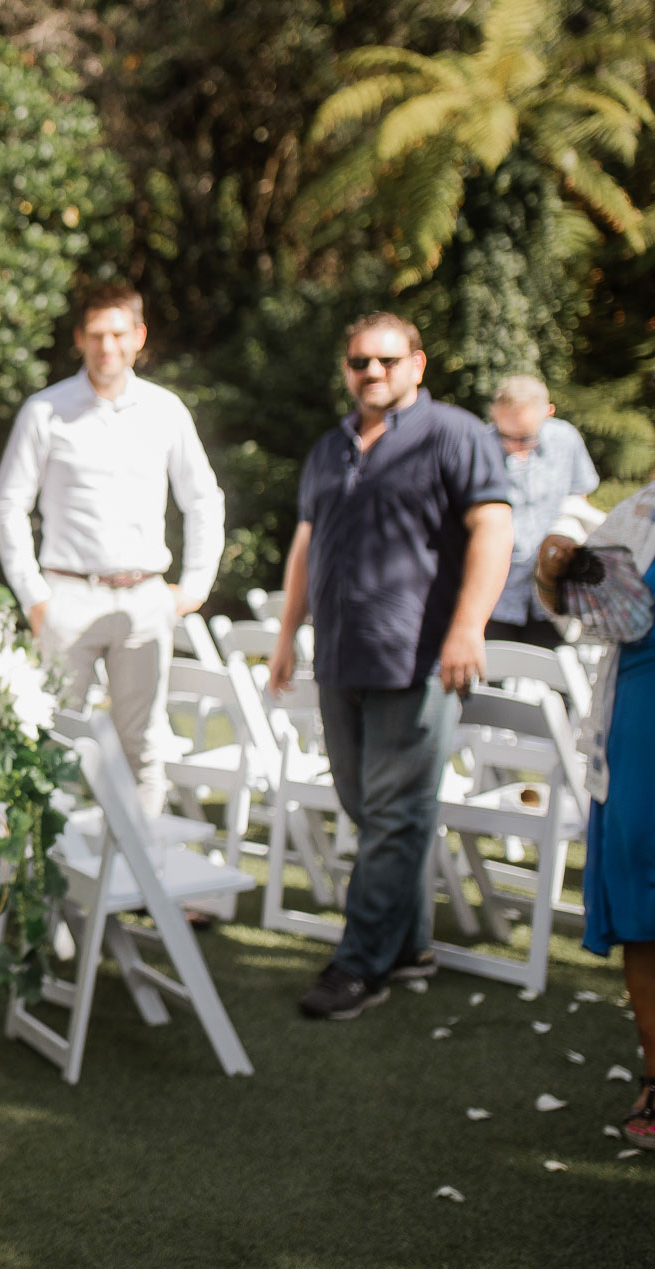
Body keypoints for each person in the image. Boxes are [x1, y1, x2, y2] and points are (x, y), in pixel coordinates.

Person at [267, 312, 512, 1020]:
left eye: (384, 360)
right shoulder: (329, 448)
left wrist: (468, 626)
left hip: (420, 657)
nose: (370, 372)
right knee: (366, 807)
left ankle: (360, 965)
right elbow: (306, 543)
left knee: (395, 815)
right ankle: (409, 945)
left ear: (416, 364)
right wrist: (288, 631)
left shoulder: (456, 434)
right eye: (357, 361)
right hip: (340, 654)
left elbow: (493, 528)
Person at [0, 280, 225, 816]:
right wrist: (33, 596)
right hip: (67, 596)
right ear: (80, 339)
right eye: (96, 335)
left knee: (144, 747)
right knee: (57, 743)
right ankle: (61, 894)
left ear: (138, 336)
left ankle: (143, 885)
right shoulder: (45, 411)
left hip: (144, 600)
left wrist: (193, 588)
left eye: (118, 333)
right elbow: (8, 506)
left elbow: (204, 499)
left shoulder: (165, 411)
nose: (107, 346)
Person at [536, 477, 655, 1150]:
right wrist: (553, 568)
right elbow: (573, 606)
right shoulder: (641, 511)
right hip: (644, 713)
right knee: (646, 897)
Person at [484, 374, 600, 649]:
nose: (514, 448)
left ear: (548, 413)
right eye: (505, 436)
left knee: (553, 680)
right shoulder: (479, 445)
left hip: (553, 593)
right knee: (497, 682)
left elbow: (578, 499)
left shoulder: (566, 439)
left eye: (525, 438)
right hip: (497, 593)